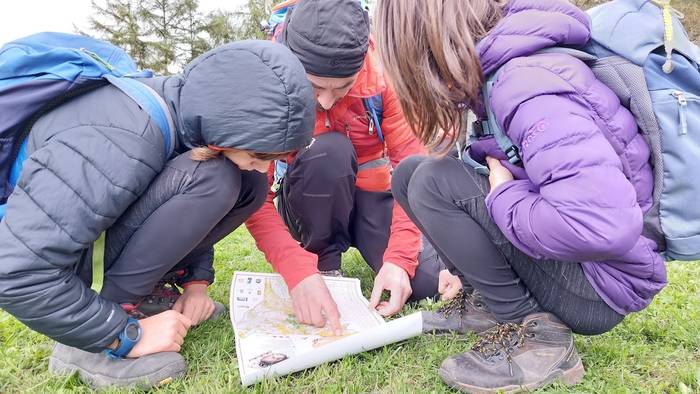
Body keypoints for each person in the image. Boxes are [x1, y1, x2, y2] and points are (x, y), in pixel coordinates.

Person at [376, 0, 668, 392]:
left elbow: (604, 227)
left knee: (433, 181)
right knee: (412, 173)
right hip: (582, 266)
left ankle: (539, 340)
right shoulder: (504, 69)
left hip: (601, 287)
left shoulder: (525, 82)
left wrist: (505, 197)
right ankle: (486, 305)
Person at [0, 40, 315, 389]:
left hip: (88, 245)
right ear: (226, 124)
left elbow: (182, 208)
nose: (264, 167)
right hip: (58, 268)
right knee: (218, 177)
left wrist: (197, 284)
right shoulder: (121, 138)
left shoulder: (182, 118)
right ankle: (91, 342)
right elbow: (17, 272)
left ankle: (142, 296)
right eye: (260, 153)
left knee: (245, 183)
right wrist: (121, 334)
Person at [246, 0, 458, 333]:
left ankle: (401, 259)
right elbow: (253, 196)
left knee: (423, 284)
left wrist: (399, 260)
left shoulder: (386, 79)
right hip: (311, 194)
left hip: (373, 194)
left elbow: (413, 172)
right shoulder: (266, 87)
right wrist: (298, 271)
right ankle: (324, 263)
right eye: (314, 87)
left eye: (343, 86)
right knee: (328, 150)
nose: (327, 101)